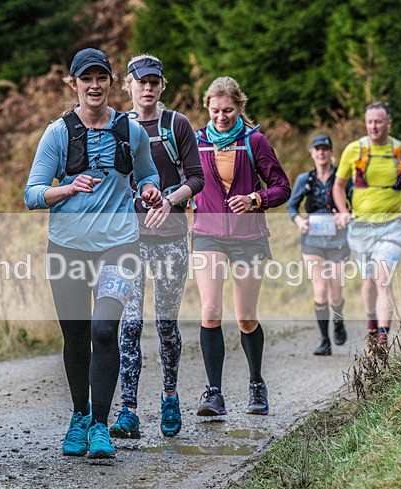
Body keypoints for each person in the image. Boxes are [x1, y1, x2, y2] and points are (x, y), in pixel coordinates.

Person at [24, 48, 162, 459]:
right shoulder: (58, 133)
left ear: (110, 82)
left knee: (104, 330)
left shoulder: (130, 130)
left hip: (119, 245)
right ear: (74, 85)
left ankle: (101, 426)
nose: (95, 85)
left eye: (102, 77)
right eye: (87, 79)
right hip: (67, 248)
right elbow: (33, 194)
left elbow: (148, 171)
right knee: (77, 335)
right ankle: (79, 416)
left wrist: (151, 188)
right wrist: (67, 188)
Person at [111, 54, 204, 439]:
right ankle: (129, 409)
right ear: (128, 86)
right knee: (129, 325)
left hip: (170, 239)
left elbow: (198, 178)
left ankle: (170, 396)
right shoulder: (116, 126)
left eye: (154, 82)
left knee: (166, 324)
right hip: (130, 239)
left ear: (162, 86)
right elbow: (110, 180)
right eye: (140, 82)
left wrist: (170, 200)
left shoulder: (176, 124)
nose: (147, 88)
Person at [192, 76, 291, 417]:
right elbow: (183, 182)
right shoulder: (196, 142)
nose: (222, 117)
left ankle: (256, 385)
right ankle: (213, 393)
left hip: (248, 238)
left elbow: (282, 187)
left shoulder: (255, 141)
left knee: (245, 318)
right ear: (207, 106)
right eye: (216, 110)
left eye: (229, 111)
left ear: (240, 107)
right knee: (210, 312)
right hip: (207, 234)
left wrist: (255, 198)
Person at [332, 101, 401, 356]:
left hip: (391, 226)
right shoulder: (354, 150)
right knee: (369, 282)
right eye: (369, 121)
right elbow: (338, 185)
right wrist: (343, 212)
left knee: (383, 279)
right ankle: (372, 329)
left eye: (378, 121)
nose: (373, 126)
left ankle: (383, 336)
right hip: (360, 227)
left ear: (388, 123)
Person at [286, 134, 351, 356]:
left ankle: (338, 321)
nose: (321, 153)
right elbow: (291, 207)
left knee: (335, 293)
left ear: (331, 152)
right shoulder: (305, 180)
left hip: (338, 241)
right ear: (312, 153)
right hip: (312, 241)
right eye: (317, 149)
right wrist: (299, 221)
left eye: (325, 148)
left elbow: (353, 206)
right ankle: (325, 340)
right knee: (320, 291)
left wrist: (345, 216)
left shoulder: (342, 179)